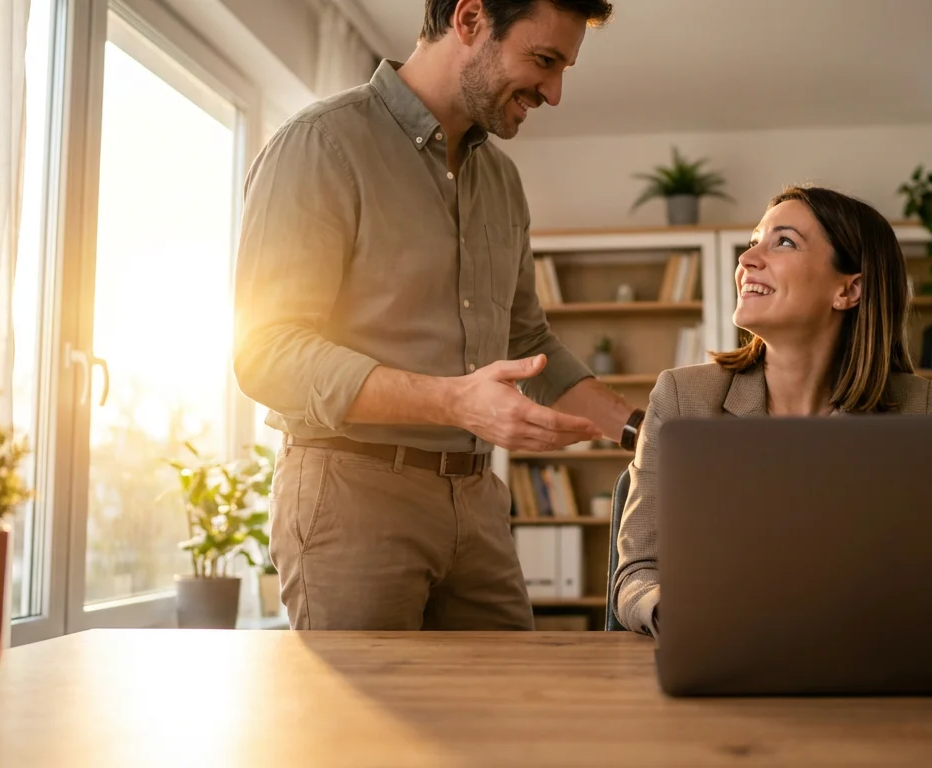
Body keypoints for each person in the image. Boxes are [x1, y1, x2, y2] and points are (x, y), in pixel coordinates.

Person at [232, 0, 646, 632]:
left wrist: (642, 433)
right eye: (544, 61)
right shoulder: (320, 144)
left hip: (477, 500)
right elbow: (266, 353)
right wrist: (455, 403)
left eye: (564, 68)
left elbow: (527, 340)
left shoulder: (501, 181)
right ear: (471, 19)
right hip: (351, 495)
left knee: (509, 718)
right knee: (367, 733)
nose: (555, 93)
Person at [611, 185, 932, 637]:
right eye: (754, 241)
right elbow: (636, 573)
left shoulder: (917, 410)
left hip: (864, 655)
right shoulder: (681, 398)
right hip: (720, 652)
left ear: (850, 289)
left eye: (783, 241)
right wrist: (675, 611)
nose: (747, 259)